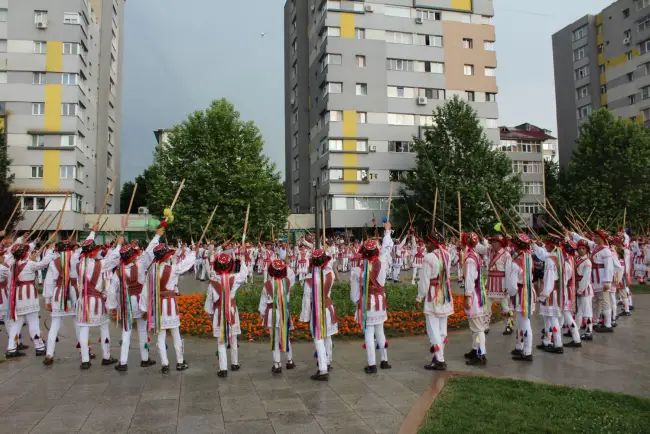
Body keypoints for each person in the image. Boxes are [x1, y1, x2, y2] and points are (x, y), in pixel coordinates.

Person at [107, 228, 163, 371]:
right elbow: (150, 250)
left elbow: (112, 290)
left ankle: (123, 362)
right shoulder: (141, 264)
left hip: (126, 303)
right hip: (140, 301)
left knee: (127, 331)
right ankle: (145, 359)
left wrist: (112, 306)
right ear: (133, 256)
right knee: (143, 330)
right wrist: (157, 235)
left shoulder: (118, 271)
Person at [140, 243, 196, 373]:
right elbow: (185, 265)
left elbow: (145, 291)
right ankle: (180, 362)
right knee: (176, 333)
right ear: (165, 257)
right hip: (169, 304)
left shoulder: (151, 270)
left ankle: (165, 364)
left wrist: (145, 309)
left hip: (157, 305)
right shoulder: (171, 269)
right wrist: (193, 253)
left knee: (161, 335)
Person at [351, 222, 392, 373]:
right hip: (380, 302)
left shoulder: (357, 271)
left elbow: (354, 294)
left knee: (369, 334)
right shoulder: (383, 262)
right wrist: (387, 232)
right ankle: (384, 360)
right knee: (380, 331)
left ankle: (372, 364)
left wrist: (357, 302)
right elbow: (387, 249)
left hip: (367, 303)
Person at [76, 237, 123, 369]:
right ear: (92, 252)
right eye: (96, 250)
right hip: (95, 301)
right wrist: (118, 245)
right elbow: (112, 260)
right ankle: (106, 357)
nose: (98, 252)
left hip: (82, 300)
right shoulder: (99, 264)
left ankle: (85, 360)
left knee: (84, 329)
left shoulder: (80, 263)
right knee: (103, 326)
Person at [4, 241, 55, 358]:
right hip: (29, 295)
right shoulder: (29, 264)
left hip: (17, 296)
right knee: (33, 321)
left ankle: (11, 348)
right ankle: (39, 346)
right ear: (24, 254)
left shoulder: (12, 265)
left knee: (17, 323)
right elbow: (43, 263)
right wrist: (51, 252)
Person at [205, 252, 247, 377]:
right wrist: (243, 261)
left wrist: (210, 313)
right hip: (232, 310)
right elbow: (245, 273)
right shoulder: (235, 278)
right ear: (231, 265)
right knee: (233, 338)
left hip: (219, 311)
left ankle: (223, 369)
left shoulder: (213, 281)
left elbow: (209, 300)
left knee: (221, 341)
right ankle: (235, 363)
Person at [417, 231, 453, 371]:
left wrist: (419, 297)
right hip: (445, 294)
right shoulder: (447, 255)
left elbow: (424, 281)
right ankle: (439, 356)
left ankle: (439, 359)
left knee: (433, 328)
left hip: (433, 295)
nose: (425, 245)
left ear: (433, 243)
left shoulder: (429, 257)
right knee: (442, 328)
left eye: (427, 243)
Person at [300, 249, 337, 381]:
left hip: (317, 310)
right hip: (328, 306)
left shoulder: (309, 279)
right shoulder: (330, 274)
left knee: (319, 338)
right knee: (327, 336)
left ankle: (322, 370)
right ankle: (327, 361)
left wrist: (305, 317)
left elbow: (306, 299)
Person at [570, 230, 614, 332]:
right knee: (596, 301)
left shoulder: (606, 251)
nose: (594, 238)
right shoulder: (595, 247)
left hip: (602, 279)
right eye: (594, 236)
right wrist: (572, 234)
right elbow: (585, 241)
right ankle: (595, 321)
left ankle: (608, 324)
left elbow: (609, 267)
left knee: (605, 301)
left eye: (596, 236)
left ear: (601, 238)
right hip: (595, 279)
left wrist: (607, 281)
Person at [261, 259, 298, 375]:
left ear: (271, 271)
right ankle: (289, 361)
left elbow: (262, 304)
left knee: (275, 339)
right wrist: (286, 265)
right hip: (284, 312)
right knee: (286, 336)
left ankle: (277, 364)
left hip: (272, 313)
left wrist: (262, 314)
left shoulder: (267, 285)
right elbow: (292, 274)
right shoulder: (287, 282)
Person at [507, 234, 536, 362]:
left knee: (524, 322)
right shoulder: (528, 257)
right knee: (521, 321)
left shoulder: (516, 262)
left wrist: (511, 293)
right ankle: (520, 346)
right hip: (529, 290)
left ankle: (527, 351)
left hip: (521, 293)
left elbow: (513, 285)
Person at [462, 232, 488, 366]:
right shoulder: (473, 255)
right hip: (477, 294)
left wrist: (467, 296)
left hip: (474, 295)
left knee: (478, 327)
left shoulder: (471, 258)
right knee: (475, 326)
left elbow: (470, 280)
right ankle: (475, 348)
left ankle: (481, 354)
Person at [484, 235, 514, 335]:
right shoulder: (489, 252)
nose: (493, 244)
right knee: (487, 305)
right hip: (491, 281)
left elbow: (508, 272)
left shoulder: (506, 255)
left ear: (500, 243)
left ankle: (509, 325)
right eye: (492, 242)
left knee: (505, 306)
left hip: (502, 282)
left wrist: (507, 286)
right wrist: (486, 282)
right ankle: (485, 325)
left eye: (495, 242)